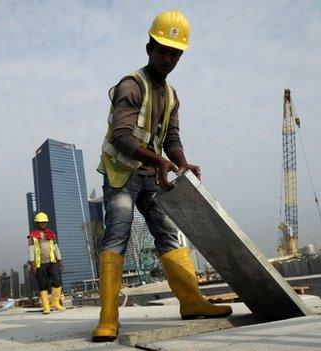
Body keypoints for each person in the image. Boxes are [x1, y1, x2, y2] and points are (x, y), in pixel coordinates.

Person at [92, 10, 232, 342]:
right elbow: (120, 137)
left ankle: (191, 301)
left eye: (175, 53)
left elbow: (171, 139)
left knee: (168, 233)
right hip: (123, 174)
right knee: (118, 234)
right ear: (149, 48)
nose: (168, 58)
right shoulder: (131, 85)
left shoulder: (171, 96)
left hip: (151, 173)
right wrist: (159, 162)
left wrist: (180, 162)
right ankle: (108, 317)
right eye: (162, 50)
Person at [28, 212, 66, 314]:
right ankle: (46, 307)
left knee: (57, 281)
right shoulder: (33, 236)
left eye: (44, 222)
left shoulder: (51, 234)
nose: (43, 224)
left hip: (52, 262)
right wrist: (32, 264)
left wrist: (60, 260)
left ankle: (55, 302)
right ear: (37, 223)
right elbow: (31, 250)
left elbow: (56, 248)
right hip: (40, 263)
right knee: (43, 285)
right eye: (40, 222)